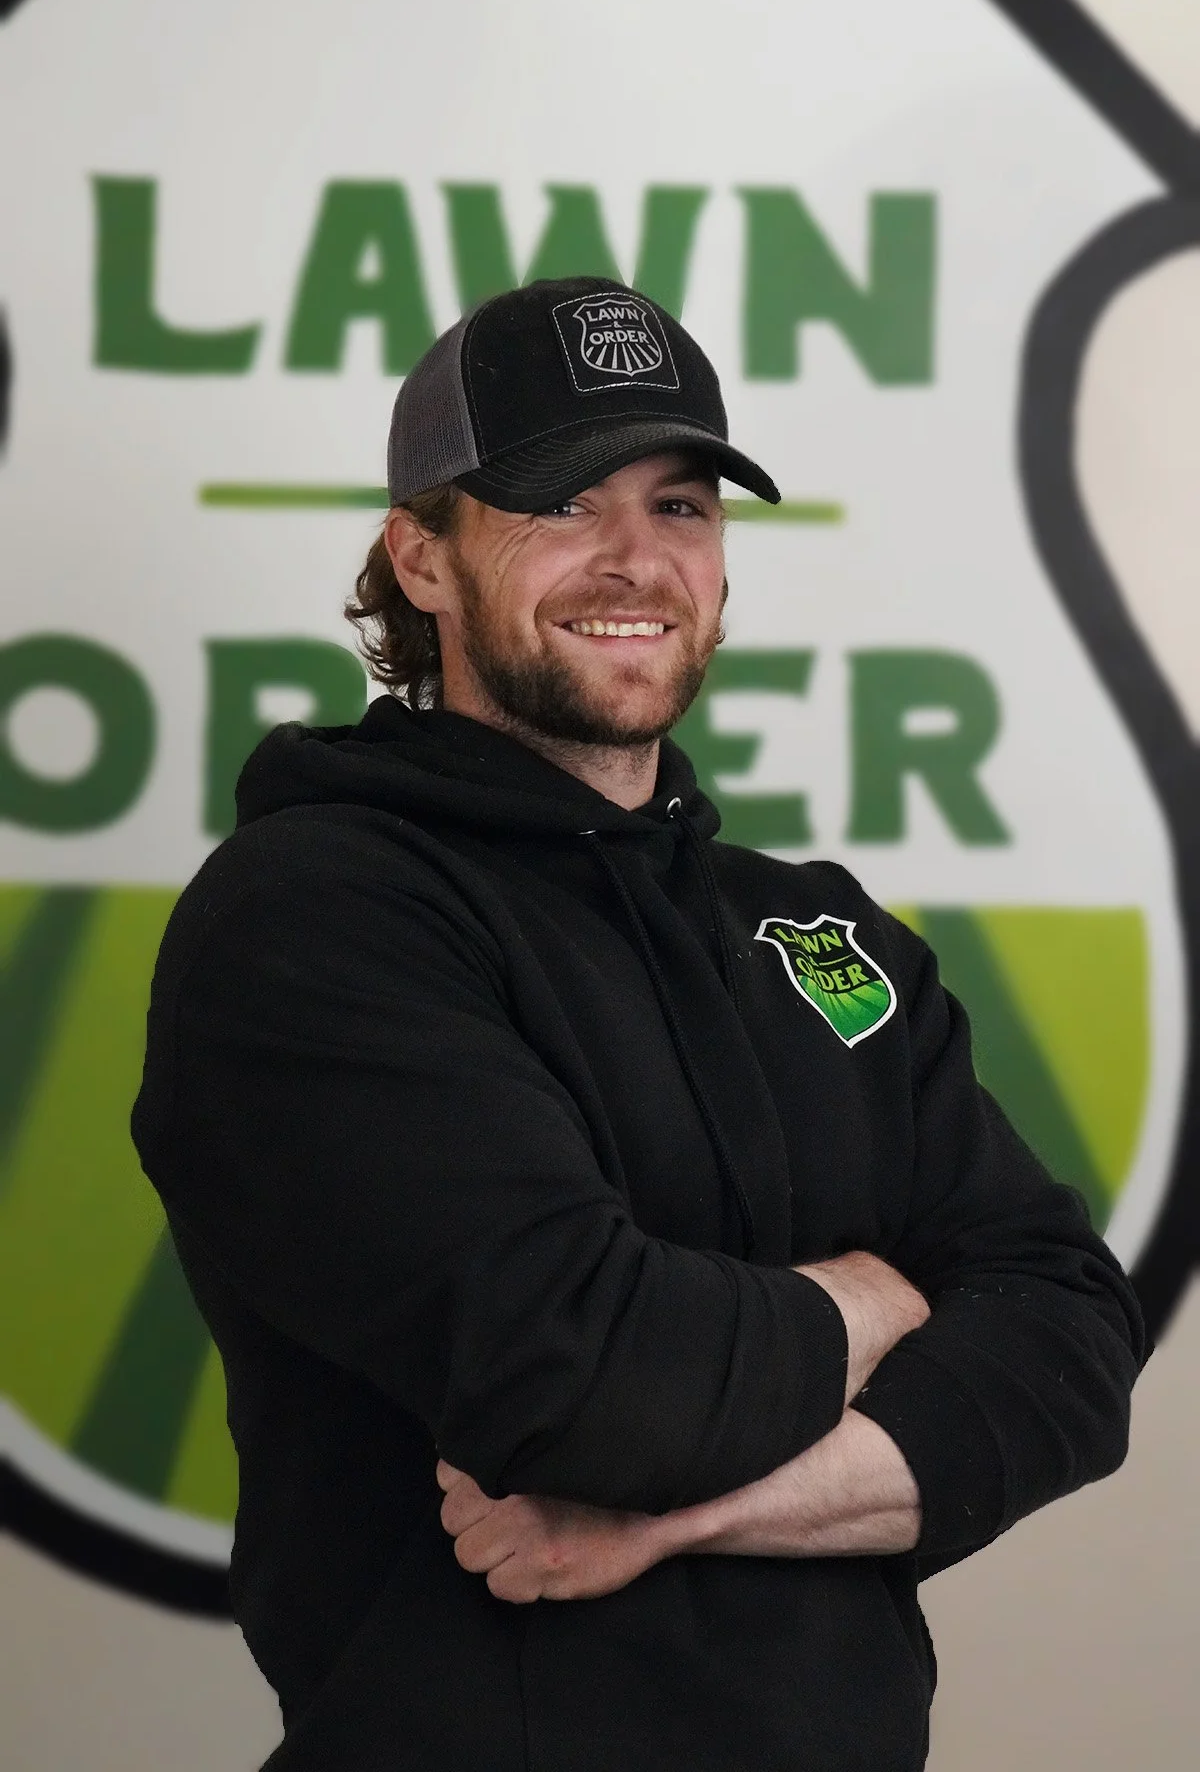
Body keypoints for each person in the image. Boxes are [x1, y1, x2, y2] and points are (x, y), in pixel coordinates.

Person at [132, 276, 1145, 1772]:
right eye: (560, 503)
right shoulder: (311, 916)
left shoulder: (818, 931)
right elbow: (593, 1382)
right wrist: (876, 1295)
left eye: (681, 506)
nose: (636, 560)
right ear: (421, 554)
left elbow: (1069, 1340)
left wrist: (691, 1510)